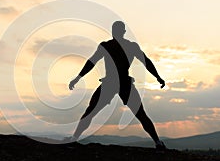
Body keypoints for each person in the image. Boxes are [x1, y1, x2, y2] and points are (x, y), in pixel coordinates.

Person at [67, 21, 166, 150]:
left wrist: (78, 77)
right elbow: (145, 61)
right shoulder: (120, 46)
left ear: (116, 32)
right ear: (122, 32)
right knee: (93, 111)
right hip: (118, 83)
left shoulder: (110, 46)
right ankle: (158, 142)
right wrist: (157, 77)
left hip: (116, 83)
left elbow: (145, 61)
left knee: (92, 111)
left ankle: (74, 138)